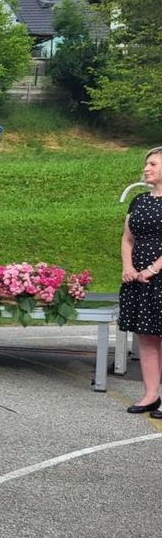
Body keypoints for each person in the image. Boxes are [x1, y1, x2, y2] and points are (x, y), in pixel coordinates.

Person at [119, 146, 162, 416]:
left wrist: (153, 269)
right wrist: (128, 266)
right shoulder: (139, 201)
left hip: (156, 275)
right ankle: (150, 395)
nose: (146, 169)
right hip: (139, 279)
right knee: (146, 336)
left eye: (153, 164)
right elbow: (127, 238)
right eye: (146, 164)